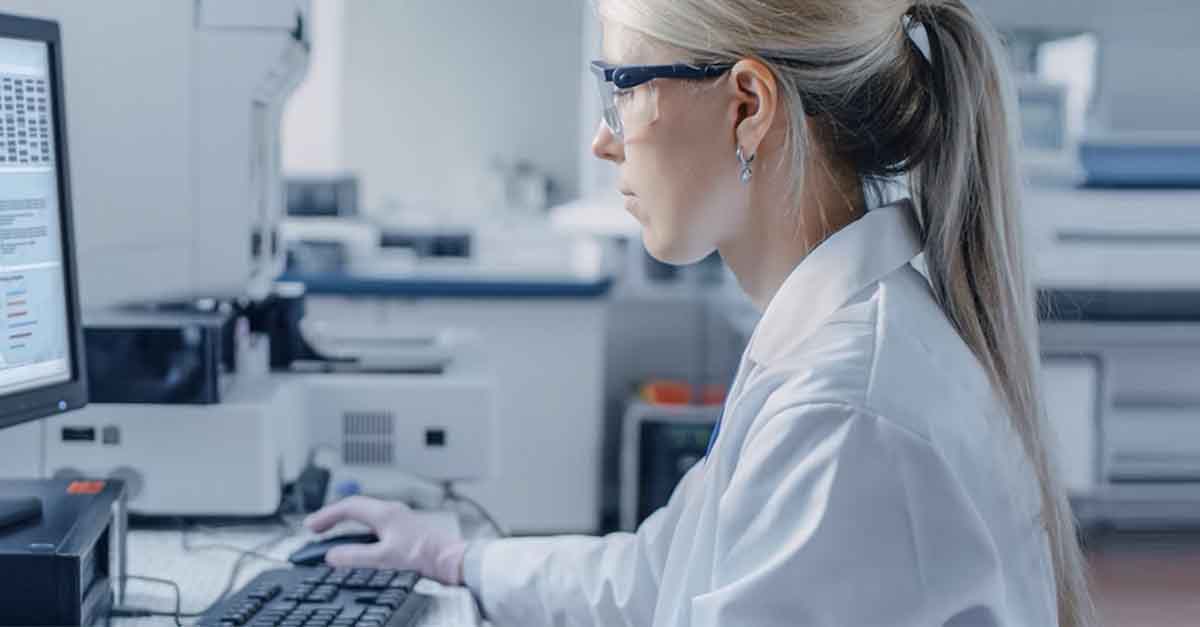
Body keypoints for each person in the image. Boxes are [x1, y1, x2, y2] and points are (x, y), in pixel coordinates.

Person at [305, 0, 1094, 624]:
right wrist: (455, 558)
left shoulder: (847, 415)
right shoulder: (833, 346)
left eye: (622, 90)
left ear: (748, 104)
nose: (602, 142)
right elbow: (658, 577)